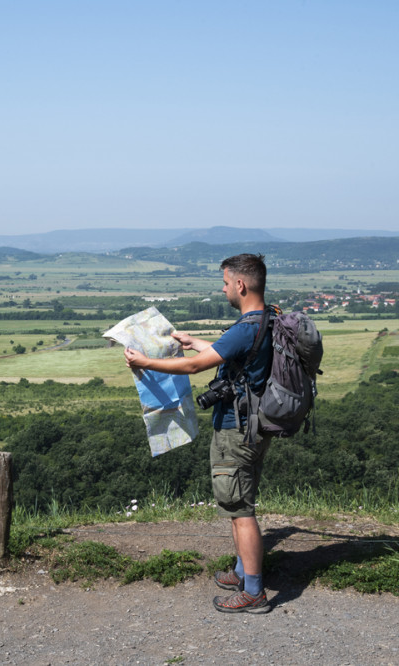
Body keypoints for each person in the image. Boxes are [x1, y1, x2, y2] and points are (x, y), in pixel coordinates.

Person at [124, 253, 273, 614]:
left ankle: (253, 591)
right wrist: (194, 341)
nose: (223, 289)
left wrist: (145, 362)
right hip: (254, 426)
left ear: (240, 284)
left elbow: (192, 367)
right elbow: (229, 355)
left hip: (235, 431)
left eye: (225, 283)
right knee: (240, 500)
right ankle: (241, 573)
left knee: (240, 508)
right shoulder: (268, 319)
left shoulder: (245, 327)